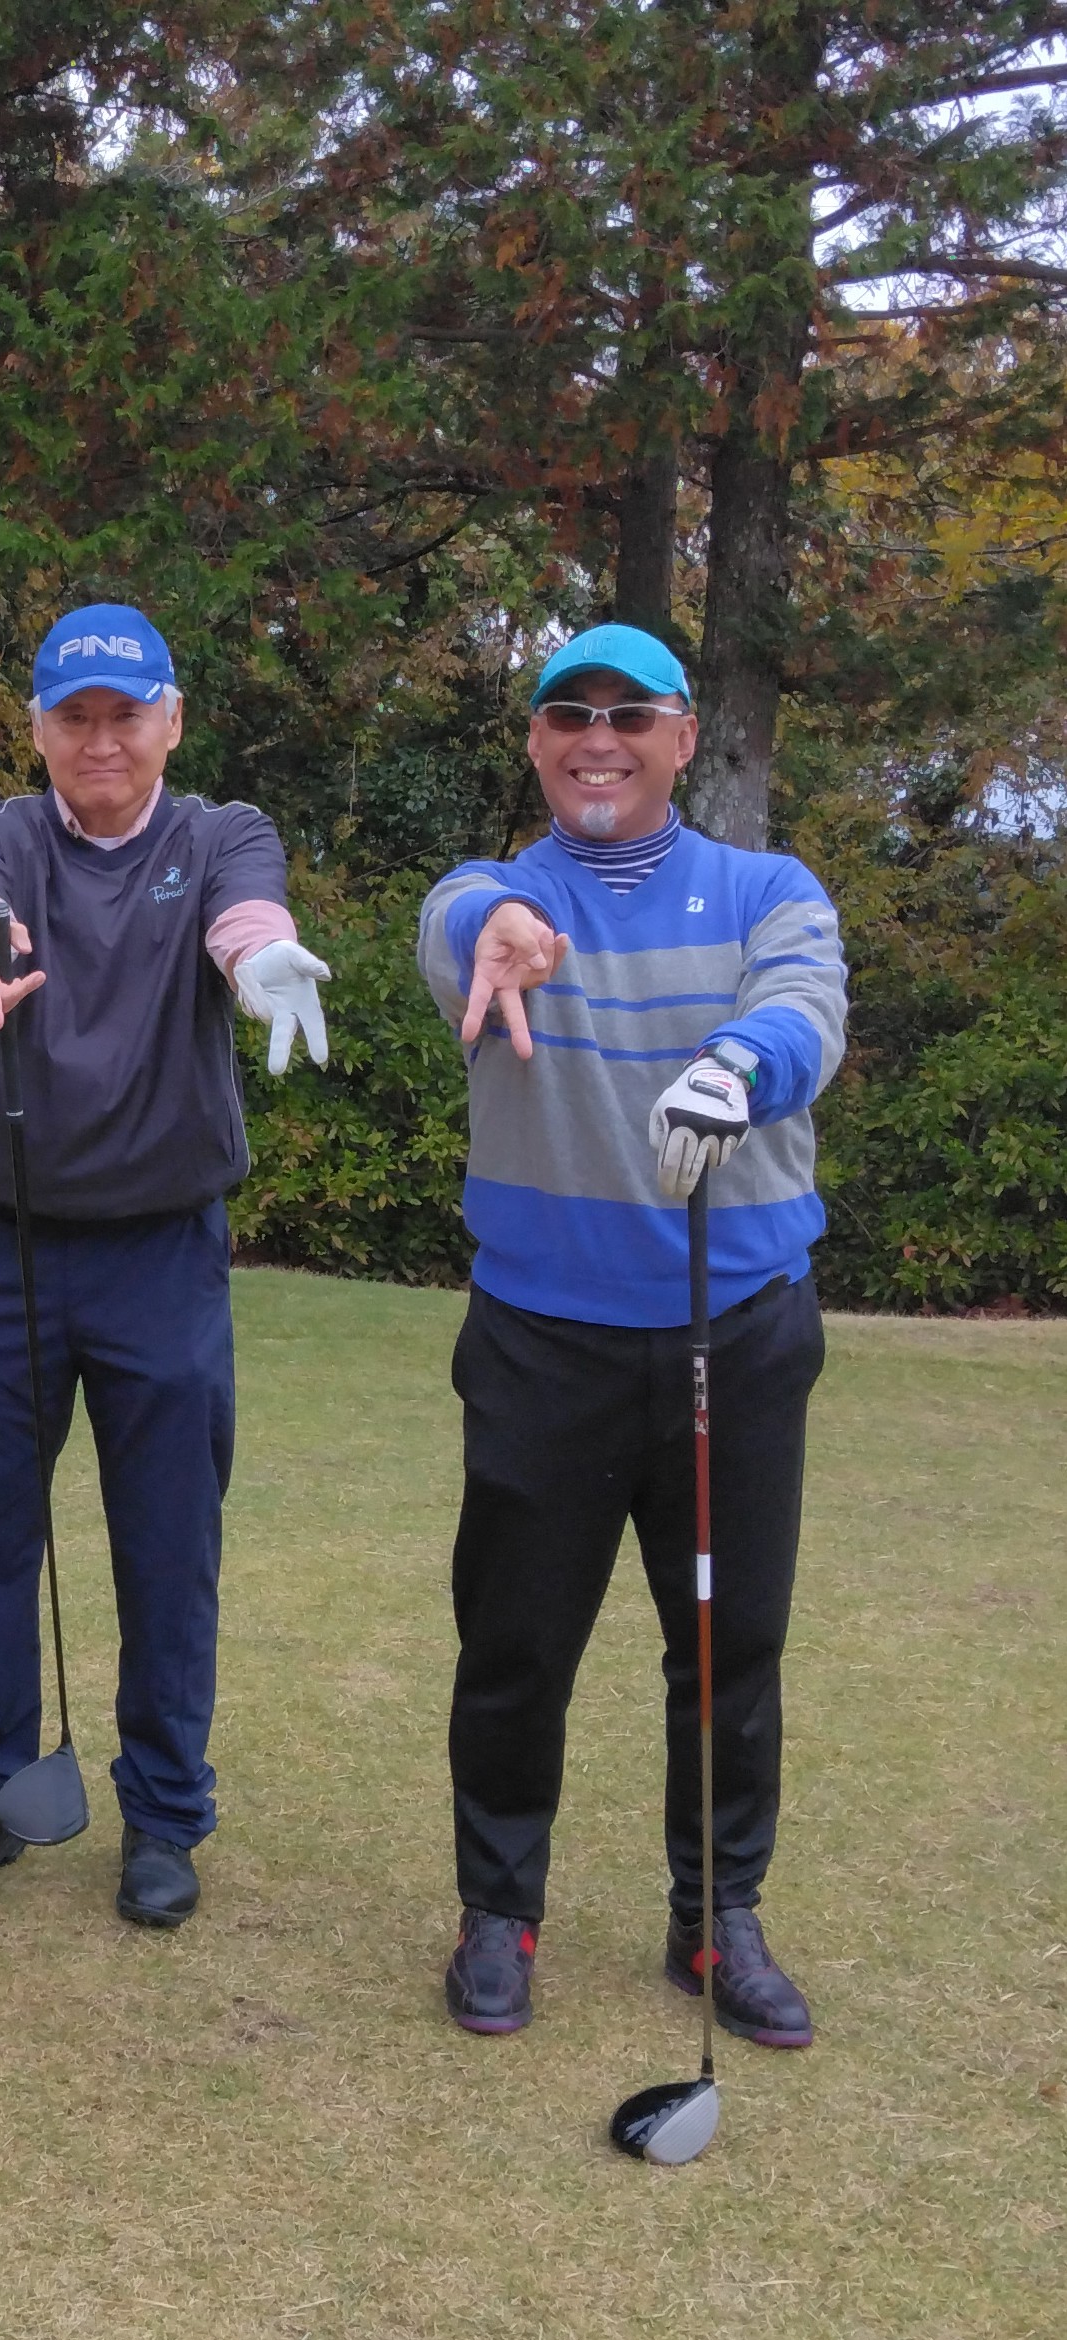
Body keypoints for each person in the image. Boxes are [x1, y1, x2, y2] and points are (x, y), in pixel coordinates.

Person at [417, 621, 847, 2045]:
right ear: (537, 741)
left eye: (629, 713)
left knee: (731, 1642)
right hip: (544, 1340)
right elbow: (460, 920)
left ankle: (716, 1916)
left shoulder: (767, 890)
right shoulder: (503, 899)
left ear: (681, 738)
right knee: (515, 1639)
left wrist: (742, 1063)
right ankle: (499, 1910)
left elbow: (805, 1008)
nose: (597, 738)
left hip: (739, 1333)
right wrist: (497, 926)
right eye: (569, 714)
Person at [0, 603, 330, 1927]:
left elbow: (245, 919)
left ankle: (162, 1813)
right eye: (75, 717)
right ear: (38, 728)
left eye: (127, 716)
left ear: (172, 721)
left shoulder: (218, 834)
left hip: (162, 1250)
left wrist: (262, 961)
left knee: (167, 1545)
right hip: (0, 1243)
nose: (102, 740)